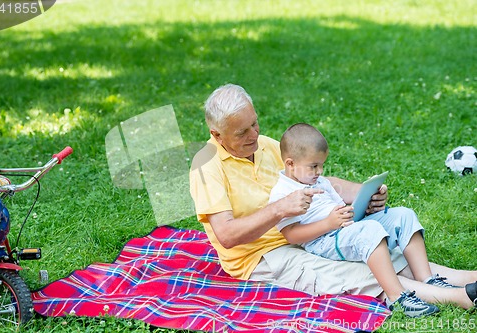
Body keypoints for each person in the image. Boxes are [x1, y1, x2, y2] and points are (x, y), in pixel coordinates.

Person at [189, 83, 477, 313]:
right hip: (265, 255)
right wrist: (278, 210)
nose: (255, 134)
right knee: (361, 273)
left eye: (255, 123)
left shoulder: (264, 145)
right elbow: (226, 235)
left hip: (311, 234)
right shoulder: (206, 165)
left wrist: (365, 194)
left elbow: (312, 177)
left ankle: (468, 277)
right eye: (243, 132)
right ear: (217, 134)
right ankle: (461, 298)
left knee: (388, 255)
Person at [269, 123, 447, 317]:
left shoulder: (318, 181)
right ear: (290, 164)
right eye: (314, 166)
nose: (320, 171)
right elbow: (291, 236)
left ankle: (427, 278)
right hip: (322, 240)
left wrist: (364, 205)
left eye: (321, 165)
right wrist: (328, 223)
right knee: (369, 231)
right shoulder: (282, 193)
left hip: (342, 228)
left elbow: (341, 209)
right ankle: (398, 298)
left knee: (403, 215)